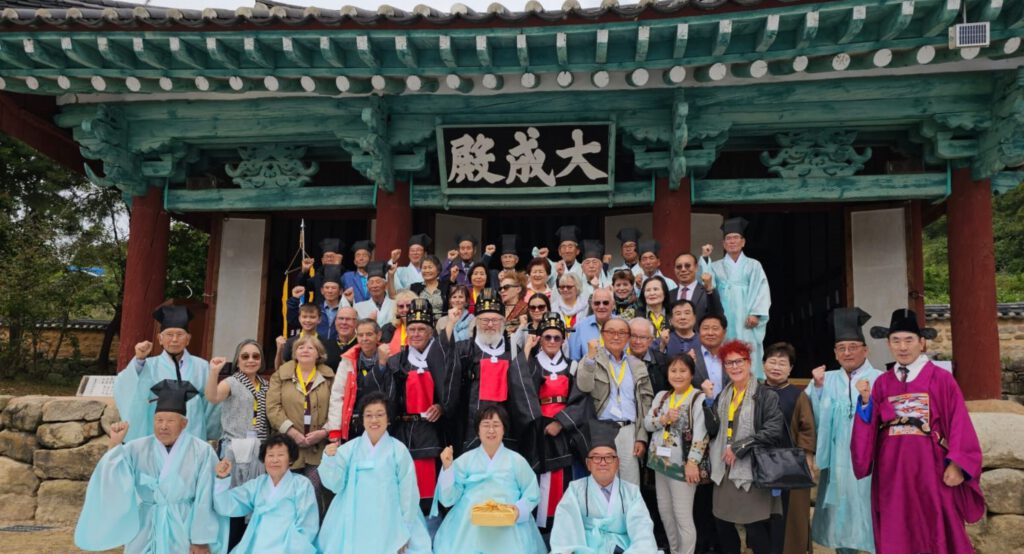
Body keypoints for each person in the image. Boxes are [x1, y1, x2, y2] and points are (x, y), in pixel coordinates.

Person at [852, 309, 985, 554]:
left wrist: (957, 463)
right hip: (891, 470)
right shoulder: (882, 383)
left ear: (921, 342)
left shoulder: (941, 379)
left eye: (909, 340)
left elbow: (959, 422)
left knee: (935, 524)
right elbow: (869, 427)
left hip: (930, 467)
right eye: (896, 341)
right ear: (888, 344)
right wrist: (865, 403)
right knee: (895, 524)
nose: (903, 347)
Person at [75, 380, 226, 553]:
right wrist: (115, 444)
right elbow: (112, 478)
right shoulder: (136, 447)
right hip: (146, 523)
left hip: (183, 524)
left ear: (184, 423)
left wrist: (200, 539)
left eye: (170, 421)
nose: (163, 426)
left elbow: (206, 497)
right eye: (159, 420)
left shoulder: (202, 451)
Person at [807, 307, 882, 554]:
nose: (847, 352)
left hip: (870, 463)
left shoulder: (880, 379)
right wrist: (818, 390)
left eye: (853, 347)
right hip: (837, 462)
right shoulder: (825, 379)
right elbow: (808, 419)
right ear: (835, 353)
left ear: (865, 350)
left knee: (870, 513)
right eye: (841, 348)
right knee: (840, 520)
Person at [319, 392, 432, 554]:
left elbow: (408, 492)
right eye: (369, 415)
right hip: (353, 517)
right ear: (362, 419)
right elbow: (335, 485)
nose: (374, 420)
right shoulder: (350, 449)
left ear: (388, 419)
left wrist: (404, 529)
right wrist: (329, 460)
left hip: (390, 519)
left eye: (380, 415)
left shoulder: (398, 450)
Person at [700, 339, 784, 554]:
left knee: (756, 528)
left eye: (739, 361)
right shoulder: (724, 394)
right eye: (729, 363)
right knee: (724, 524)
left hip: (752, 470)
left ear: (749, 363)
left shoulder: (765, 394)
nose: (735, 367)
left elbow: (773, 430)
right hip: (724, 470)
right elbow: (713, 429)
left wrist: (739, 447)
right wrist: (708, 401)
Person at [432, 405, 547, 554]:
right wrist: (447, 468)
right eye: (486, 425)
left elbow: (532, 493)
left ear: (504, 429)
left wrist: (518, 510)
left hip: (508, 524)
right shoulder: (465, 460)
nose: (491, 430)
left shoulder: (516, 460)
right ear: (478, 430)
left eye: (496, 425)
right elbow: (448, 499)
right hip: (469, 526)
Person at [387, 299, 459, 533]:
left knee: (429, 492)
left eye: (421, 329)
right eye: (412, 329)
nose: (416, 334)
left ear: (430, 332)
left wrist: (441, 406)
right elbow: (390, 398)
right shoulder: (397, 360)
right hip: (403, 431)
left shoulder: (442, 357)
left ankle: (430, 534)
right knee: (404, 488)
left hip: (432, 433)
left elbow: (451, 389)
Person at [522, 312, 590, 530]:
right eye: (547, 337)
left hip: (563, 428)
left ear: (563, 339)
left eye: (557, 337)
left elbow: (581, 399)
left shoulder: (572, 366)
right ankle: (538, 526)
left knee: (563, 476)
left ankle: (560, 526)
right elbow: (522, 392)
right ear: (539, 339)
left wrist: (561, 422)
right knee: (537, 475)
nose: (552, 341)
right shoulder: (531, 364)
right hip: (537, 427)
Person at [549, 421, 658, 553]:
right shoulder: (575, 490)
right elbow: (565, 529)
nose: (603, 463)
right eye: (596, 458)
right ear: (588, 464)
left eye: (609, 457)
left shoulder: (631, 492)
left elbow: (642, 531)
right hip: (586, 549)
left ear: (617, 463)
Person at [453, 288, 540, 453]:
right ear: (476, 321)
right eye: (485, 320)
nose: (490, 325)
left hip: (506, 427)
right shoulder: (464, 349)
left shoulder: (512, 351)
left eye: (495, 320)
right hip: (471, 426)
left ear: (503, 322)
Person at [115, 305, 216, 442]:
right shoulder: (148, 365)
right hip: (157, 432)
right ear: (160, 339)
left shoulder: (202, 366)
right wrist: (139, 360)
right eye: (169, 335)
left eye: (180, 335)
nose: (174, 339)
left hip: (193, 430)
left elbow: (211, 403)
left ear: (188, 339)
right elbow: (126, 385)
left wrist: (209, 432)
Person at [205, 340, 269, 548]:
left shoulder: (266, 384)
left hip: (259, 451)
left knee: (255, 503)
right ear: (237, 360)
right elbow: (213, 397)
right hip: (234, 449)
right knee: (233, 504)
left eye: (255, 356)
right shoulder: (231, 382)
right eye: (245, 356)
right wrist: (214, 372)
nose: (250, 360)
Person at [575, 317, 654, 485]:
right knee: (604, 482)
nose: (616, 337)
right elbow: (584, 386)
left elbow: (645, 403)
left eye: (622, 333)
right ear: (602, 334)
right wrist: (590, 358)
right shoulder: (591, 359)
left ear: (628, 337)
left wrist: (641, 437)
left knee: (630, 484)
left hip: (629, 430)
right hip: (601, 429)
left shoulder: (637, 365)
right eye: (611, 332)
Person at [644, 354, 709, 554]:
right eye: (673, 370)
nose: (678, 375)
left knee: (683, 518)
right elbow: (647, 423)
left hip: (682, 467)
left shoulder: (697, 398)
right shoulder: (661, 396)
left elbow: (701, 433)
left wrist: (692, 462)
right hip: (659, 464)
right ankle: (674, 550)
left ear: (691, 374)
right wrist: (663, 419)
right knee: (665, 513)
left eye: (683, 371)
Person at [212, 434, 319, 554]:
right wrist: (222, 478)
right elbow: (228, 505)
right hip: (256, 547)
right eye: (270, 455)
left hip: (287, 548)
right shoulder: (258, 484)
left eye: (280, 455)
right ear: (264, 459)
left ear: (290, 459)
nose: (274, 460)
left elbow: (307, 525)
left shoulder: (302, 485)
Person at [266, 334, 334, 515]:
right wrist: (292, 432)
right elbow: (272, 408)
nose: (305, 350)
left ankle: (312, 529)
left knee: (314, 491)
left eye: (310, 348)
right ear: (294, 353)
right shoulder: (280, 375)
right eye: (300, 347)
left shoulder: (329, 377)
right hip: (288, 446)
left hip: (318, 447)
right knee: (288, 493)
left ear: (319, 354)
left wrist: (324, 432)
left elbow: (337, 408)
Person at [700, 217, 771, 380]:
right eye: (728, 238)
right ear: (724, 244)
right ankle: (725, 381)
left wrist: (756, 313)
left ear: (743, 242)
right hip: (724, 313)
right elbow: (706, 283)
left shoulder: (754, 265)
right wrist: (705, 258)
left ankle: (751, 382)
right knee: (724, 346)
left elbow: (762, 289)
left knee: (748, 347)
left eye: (736, 238)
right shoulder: (715, 266)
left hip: (746, 315)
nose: (732, 241)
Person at [762, 342, 816, 554]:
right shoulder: (754, 392)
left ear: (791, 368)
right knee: (762, 516)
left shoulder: (798, 395)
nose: (776, 367)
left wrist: (808, 459)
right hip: (760, 462)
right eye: (772, 361)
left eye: (782, 363)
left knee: (791, 517)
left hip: (791, 464)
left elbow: (807, 429)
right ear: (763, 364)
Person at [691, 313, 728, 554]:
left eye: (715, 328)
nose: (710, 332)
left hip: (727, 428)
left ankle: (721, 540)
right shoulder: (691, 357)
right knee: (701, 487)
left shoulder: (732, 357)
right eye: (705, 328)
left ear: (724, 332)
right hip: (699, 427)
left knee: (722, 484)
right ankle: (703, 541)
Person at [327, 318, 392, 443]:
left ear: (378, 335)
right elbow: (337, 396)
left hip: (385, 423)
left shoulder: (391, 357)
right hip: (355, 424)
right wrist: (335, 429)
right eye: (361, 335)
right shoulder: (348, 361)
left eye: (369, 334)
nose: (364, 339)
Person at [567, 288, 616, 361]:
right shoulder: (579, 327)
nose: (601, 306)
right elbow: (573, 360)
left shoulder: (623, 325)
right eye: (597, 303)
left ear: (613, 305)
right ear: (592, 305)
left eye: (605, 303)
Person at [673, 253, 722, 322]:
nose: (683, 269)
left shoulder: (708, 292)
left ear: (696, 268)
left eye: (687, 266)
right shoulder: (669, 295)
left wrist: (709, 290)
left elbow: (718, 316)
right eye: (679, 267)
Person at [295, 237, 345, 305]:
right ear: (322, 260)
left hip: (341, 310)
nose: (329, 259)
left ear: (339, 258)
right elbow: (302, 286)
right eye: (327, 257)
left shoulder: (346, 275)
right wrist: (304, 271)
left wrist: (337, 267)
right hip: (319, 310)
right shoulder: (318, 276)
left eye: (332, 256)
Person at [629, 318, 669, 395]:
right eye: (633, 336)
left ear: (651, 340)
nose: (638, 341)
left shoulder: (663, 362)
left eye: (643, 337)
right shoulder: (620, 360)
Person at [511, 292, 552, 359]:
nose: (536, 310)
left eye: (541, 307)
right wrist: (522, 325)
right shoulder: (524, 329)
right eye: (532, 307)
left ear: (548, 309)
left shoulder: (555, 329)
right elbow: (514, 349)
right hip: (526, 364)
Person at [405, 254, 446, 319]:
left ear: (438, 270)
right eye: (424, 268)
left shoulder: (446, 287)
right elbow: (394, 296)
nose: (427, 271)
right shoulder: (413, 287)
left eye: (430, 267)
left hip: (442, 323)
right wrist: (391, 275)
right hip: (419, 323)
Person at [355, 261, 396, 327]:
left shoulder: (395, 305)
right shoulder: (358, 307)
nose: (374, 286)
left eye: (378, 282)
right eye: (371, 283)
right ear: (367, 287)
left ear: (386, 285)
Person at [343, 239, 375, 304]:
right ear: (354, 261)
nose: (361, 258)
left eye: (364, 255)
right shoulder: (347, 277)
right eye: (358, 255)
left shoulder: (376, 277)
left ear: (371, 259)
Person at [499, 272, 529, 336]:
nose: (502, 290)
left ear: (518, 289)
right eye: (500, 288)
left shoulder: (527, 308)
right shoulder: (498, 308)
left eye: (506, 287)